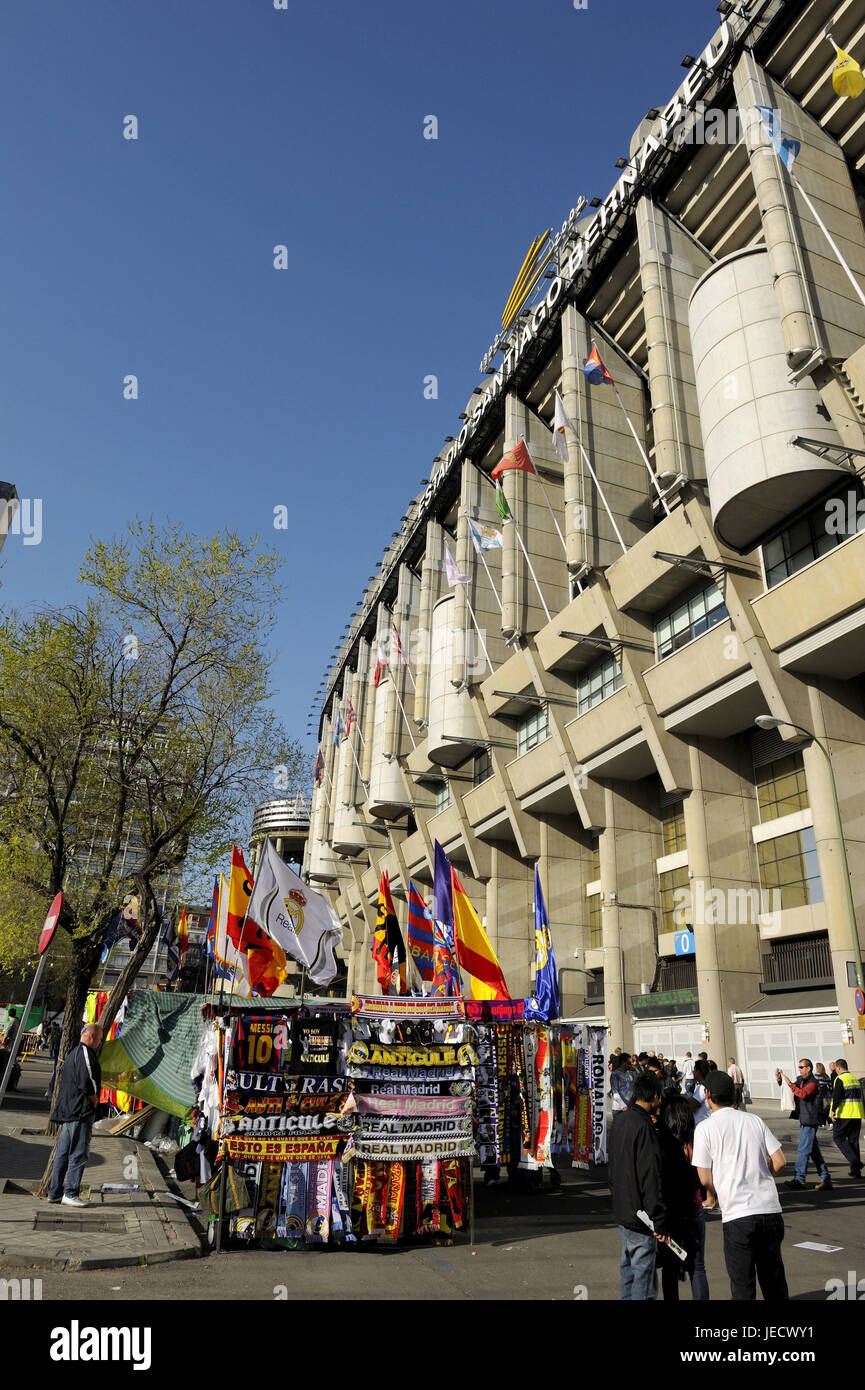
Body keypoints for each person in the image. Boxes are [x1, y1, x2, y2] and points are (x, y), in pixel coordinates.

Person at [692, 1069, 788, 1301]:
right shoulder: (754, 1120)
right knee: (774, 1281)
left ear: (708, 1095)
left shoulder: (705, 1128)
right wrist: (760, 1176)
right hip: (770, 1209)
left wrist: (711, 1199)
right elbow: (780, 1161)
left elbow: (704, 1178)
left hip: (738, 1215)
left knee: (743, 1285)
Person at [611, 1071, 669, 1299]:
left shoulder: (620, 1121)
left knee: (628, 1272)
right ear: (654, 1096)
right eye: (660, 1097)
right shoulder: (645, 1127)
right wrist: (659, 1220)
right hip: (643, 1217)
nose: (660, 1102)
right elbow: (650, 1178)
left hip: (623, 1210)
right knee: (643, 1281)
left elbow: (612, 1168)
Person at [658, 1095, 710, 1301]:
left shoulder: (662, 1144)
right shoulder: (695, 1142)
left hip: (670, 1214)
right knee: (697, 1267)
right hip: (694, 1210)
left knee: (670, 1268)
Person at [46, 1023, 103, 1207]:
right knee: (78, 1153)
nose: (101, 1042)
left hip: (70, 1111)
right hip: (79, 1111)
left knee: (63, 1153)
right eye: (100, 1038)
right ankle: (70, 1193)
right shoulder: (85, 1053)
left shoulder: (73, 1053)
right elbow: (88, 1082)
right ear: (91, 1036)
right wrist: (95, 1100)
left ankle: (54, 1192)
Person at [775, 1058, 832, 1191]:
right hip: (805, 1118)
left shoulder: (813, 1083)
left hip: (810, 1120)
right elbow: (791, 1089)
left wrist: (790, 1084)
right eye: (799, 1067)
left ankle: (799, 1179)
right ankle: (826, 1178)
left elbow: (803, 1094)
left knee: (803, 1150)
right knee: (814, 1152)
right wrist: (780, 1079)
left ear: (808, 1068)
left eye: (801, 1067)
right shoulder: (802, 1080)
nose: (799, 1069)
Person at [829, 1058, 863, 1178]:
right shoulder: (855, 1079)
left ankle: (855, 1163)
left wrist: (833, 1111)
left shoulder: (840, 1079)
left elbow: (836, 1096)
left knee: (838, 1137)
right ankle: (856, 1172)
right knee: (853, 1142)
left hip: (844, 1114)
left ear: (838, 1068)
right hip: (857, 1114)